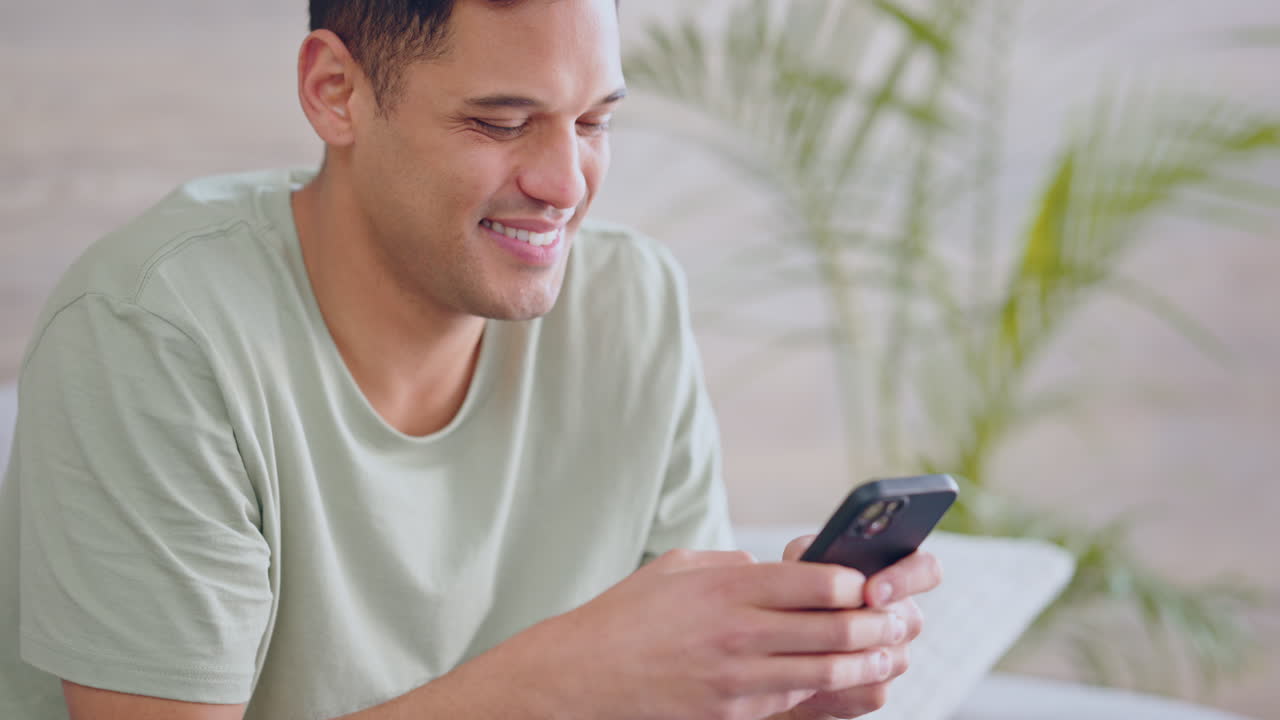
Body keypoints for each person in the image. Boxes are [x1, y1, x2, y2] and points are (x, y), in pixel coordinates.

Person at [0, 1, 942, 718]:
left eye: (593, 121)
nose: (565, 185)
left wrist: (766, 686)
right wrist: (572, 678)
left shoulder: (629, 304)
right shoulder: (155, 331)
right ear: (337, 93)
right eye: (499, 123)